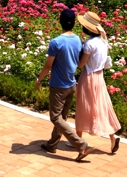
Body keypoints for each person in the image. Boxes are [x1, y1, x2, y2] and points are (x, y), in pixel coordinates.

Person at [35, 9, 95, 162]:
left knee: (55, 117)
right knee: (62, 117)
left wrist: (39, 80)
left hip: (58, 86)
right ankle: (52, 144)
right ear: (74, 23)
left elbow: (48, 65)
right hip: (71, 84)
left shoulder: (56, 42)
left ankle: (81, 145)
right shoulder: (77, 40)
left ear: (60, 21)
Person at [73, 12, 121, 154]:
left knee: (83, 107)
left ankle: (79, 141)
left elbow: (81, 65)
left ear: (87, 29)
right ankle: (112, 136)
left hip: (88, 77)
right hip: (99, 77)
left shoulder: (89, 44)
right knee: (101, 107)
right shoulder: (103, 41)